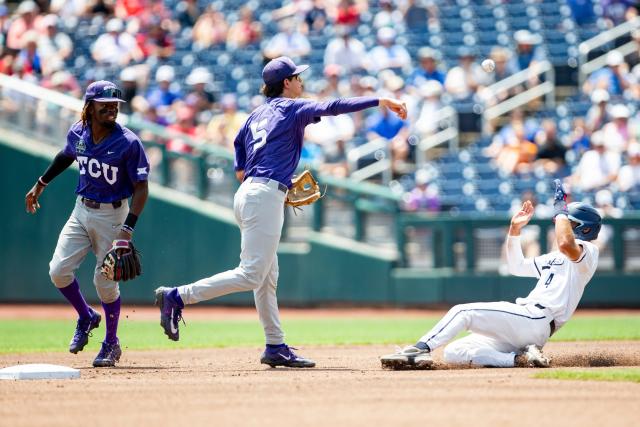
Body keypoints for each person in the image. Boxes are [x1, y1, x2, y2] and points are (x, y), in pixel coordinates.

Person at [154, 56, 407, 368]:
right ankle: (177, 296)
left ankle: (275, 345)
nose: (301, 81)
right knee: (252, 274)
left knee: (266, 278)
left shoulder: (252, 118)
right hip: (263, 195)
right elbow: (333, 106)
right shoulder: (291, 107)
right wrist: (380, 99)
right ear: (286, 83)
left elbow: (240, 170)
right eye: (297, 77)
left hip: (247, 193)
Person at [380, 181, 601, 369]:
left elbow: (565, 242)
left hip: (537, 319)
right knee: (455, 352)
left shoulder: (587, 251)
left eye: (567, 222)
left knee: (463, 311)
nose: (559, 224)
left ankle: (419, 350)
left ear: (585, 229)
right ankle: (520, 358)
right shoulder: (555, 257)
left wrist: (561, 209)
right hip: (527, 325)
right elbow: (516, 266)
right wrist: (514, 232)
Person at [24, 81, 150, 367]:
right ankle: (86, 316)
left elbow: (141, 188)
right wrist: (40, 184)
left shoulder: (128, 142)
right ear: (89, 106)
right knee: (58, 271)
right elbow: (65, 156)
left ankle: (111, 342)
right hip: (81, 209)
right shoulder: (78, 132)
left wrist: (127, 229)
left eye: (115, 105)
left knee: (104, 281)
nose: (111, 108)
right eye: (104, 103)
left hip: (114, 215)